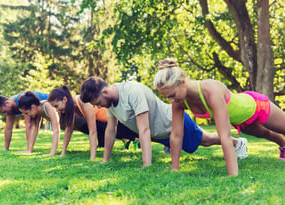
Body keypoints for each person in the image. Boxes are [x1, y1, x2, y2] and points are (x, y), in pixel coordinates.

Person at [80, 77, 247, 174]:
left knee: (205, 140)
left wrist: (147, 166)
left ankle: (238, 143)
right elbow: (111, 129)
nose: (100, 107)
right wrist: (105, 160)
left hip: (172, 124)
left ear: (105, 92)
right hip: (160, 135)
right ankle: (236, 142)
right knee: (204, 140)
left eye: (99, 103)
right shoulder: (110, 103)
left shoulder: (132, 91)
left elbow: (144, 129)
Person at [154, 58, 285, 176]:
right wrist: (174, 170)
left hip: (256, 106)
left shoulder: (211, 90)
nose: (171, 100)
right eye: (167, 97)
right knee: (267, 134)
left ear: (182, 82)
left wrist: (232, 176)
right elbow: (176, 135)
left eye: (172, 95)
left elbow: (225, 136)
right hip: (241, 121)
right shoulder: (179, 101)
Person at [47, 86, 140, 159]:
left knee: (143, 135)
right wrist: (63, 153)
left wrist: (92, 158)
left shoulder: (82, 102)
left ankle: (136, 139)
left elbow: (93, 131)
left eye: (56, 106)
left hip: (118, 123)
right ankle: (133, 139)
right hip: (106, 125)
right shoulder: (72, 108)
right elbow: (68, 131)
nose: (56, 110)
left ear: (64, 99)